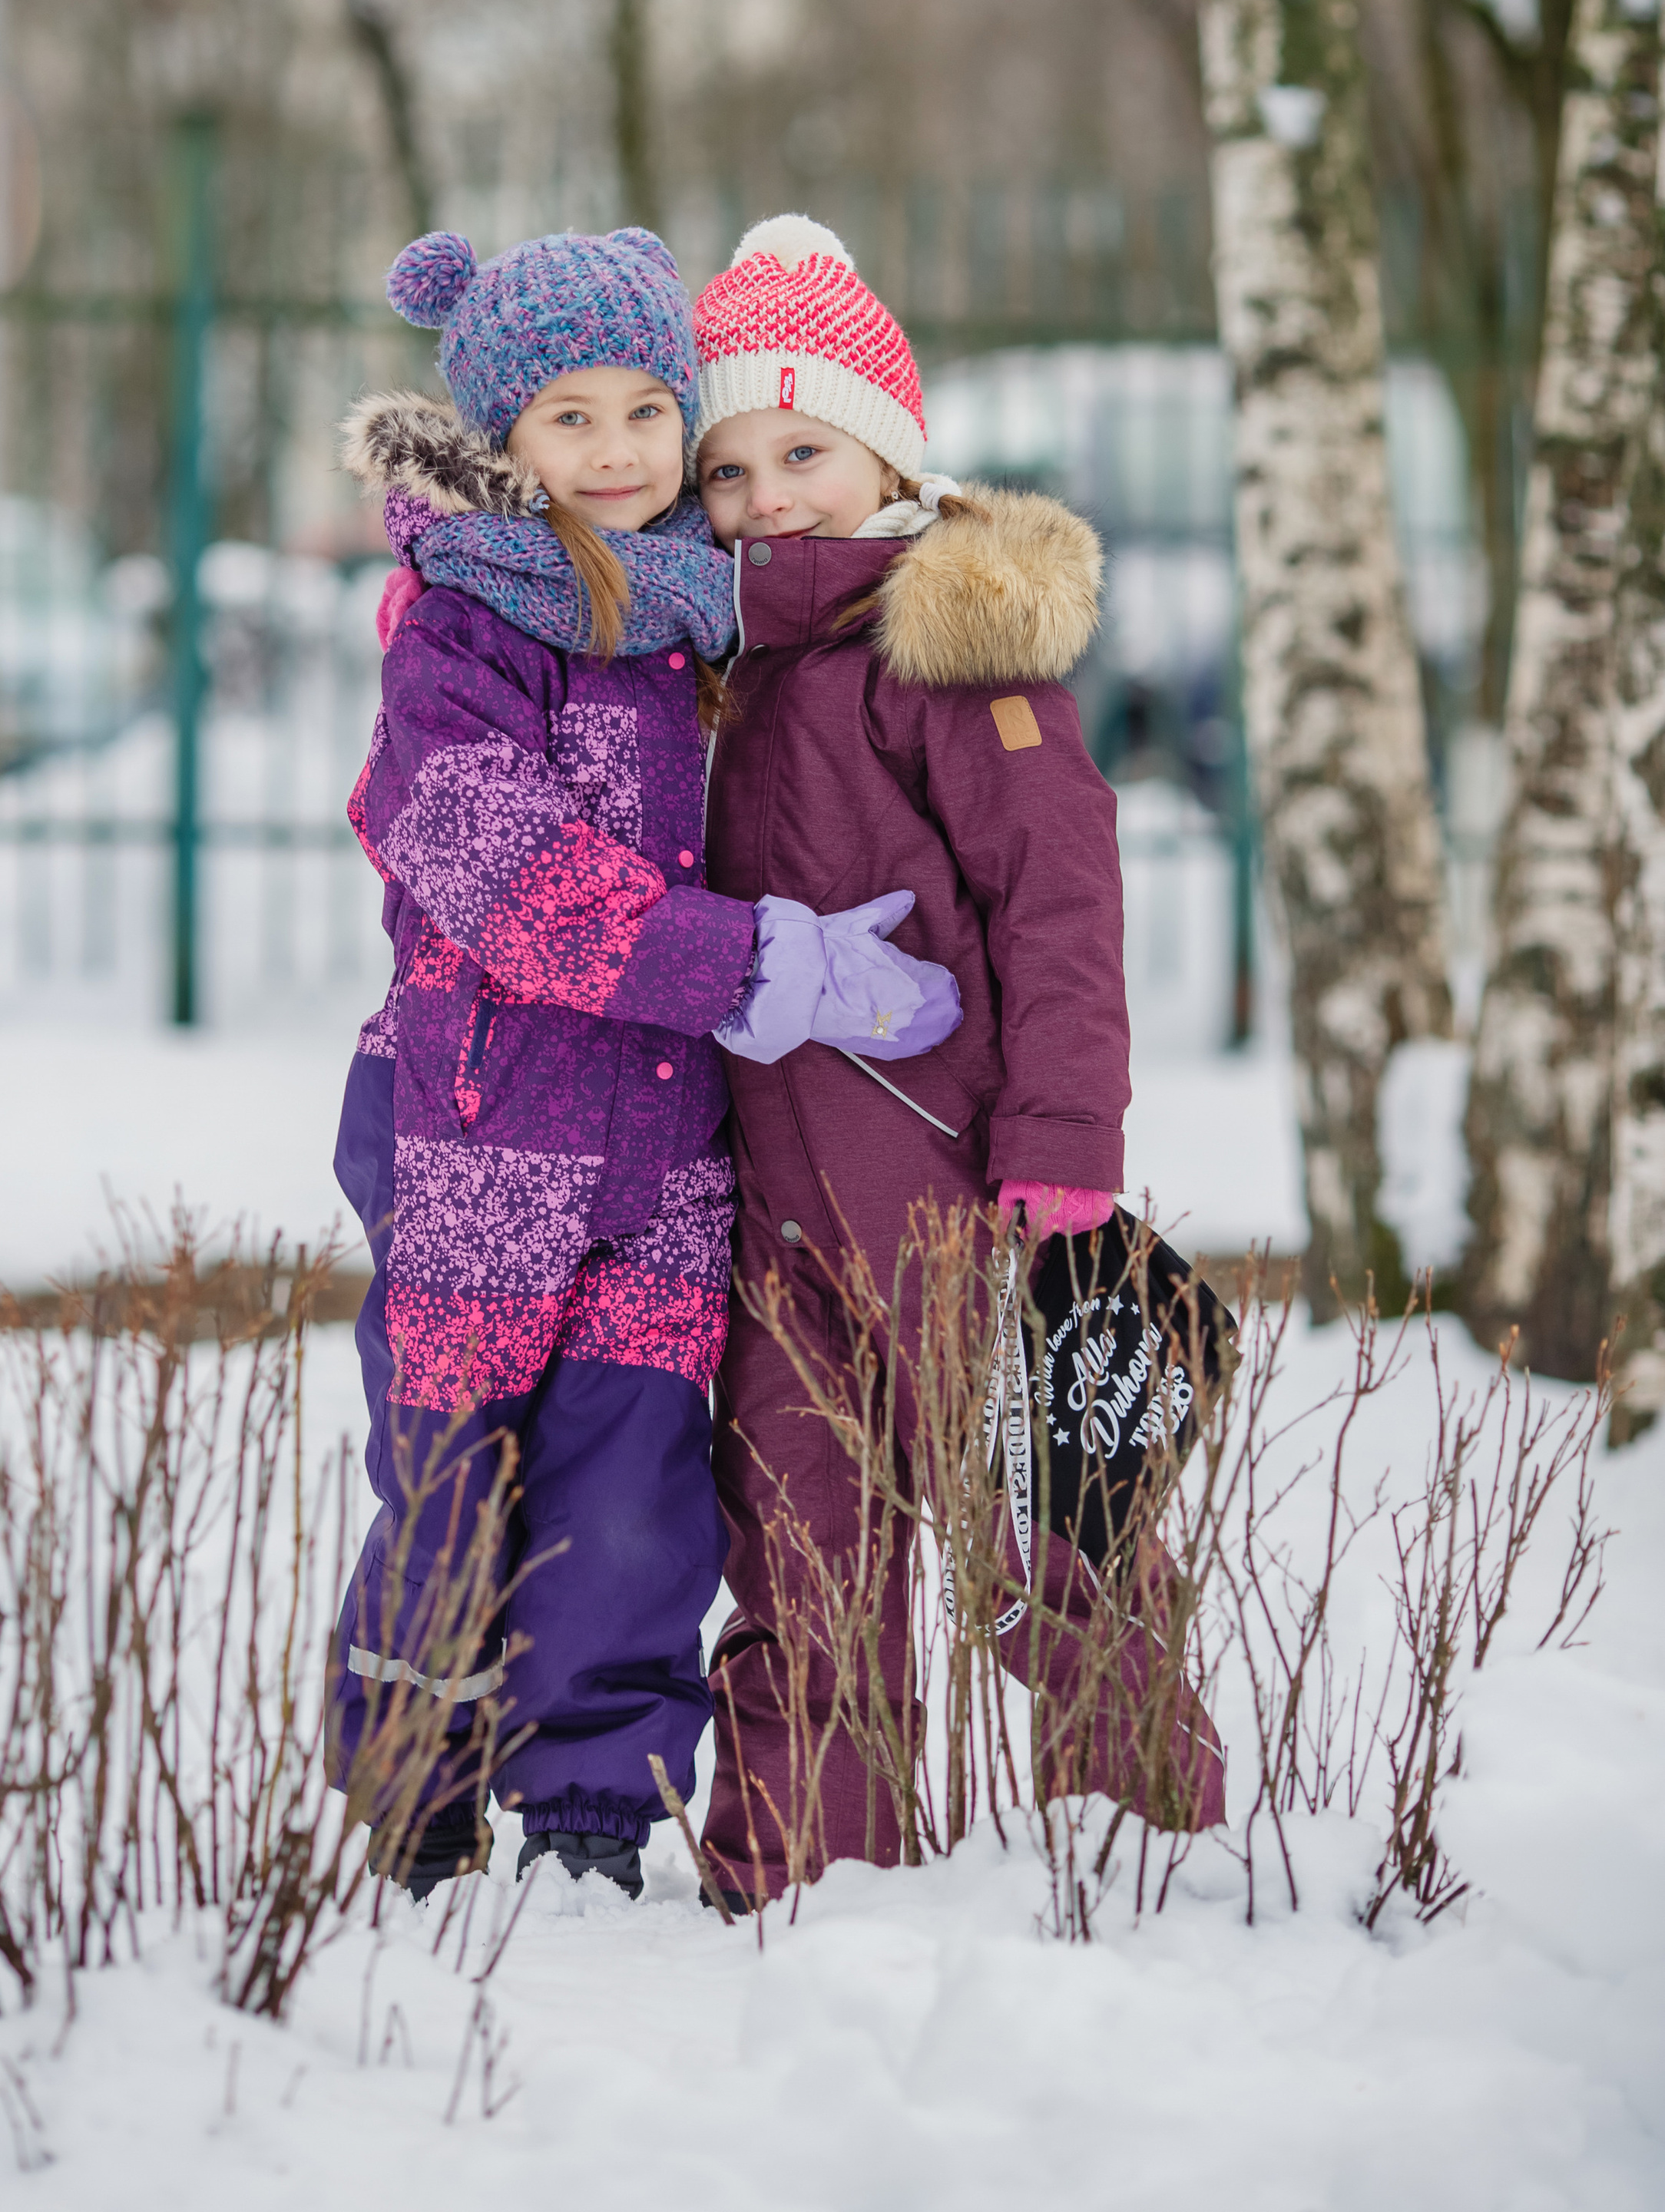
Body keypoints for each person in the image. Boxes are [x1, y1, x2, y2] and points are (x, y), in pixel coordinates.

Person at [326, 222, 960, 1903]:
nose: (614, 453)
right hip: (478, 1132)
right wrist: (755, 965)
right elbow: (499, 869)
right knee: (453, 1472)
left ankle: (594, 1803)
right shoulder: (460, 630)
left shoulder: (707, 627)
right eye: (568, 420)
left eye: (643, 414)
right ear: (500, 442)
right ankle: (412, 1788)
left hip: (666, 1155)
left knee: (632, 1492)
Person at [688, 213, 1225, 1900]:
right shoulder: (722, 668)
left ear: (886, 452)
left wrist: (1065, 1135)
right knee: (797, 1552)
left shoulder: (945, 649)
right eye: (727, 469)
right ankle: (800, 1871)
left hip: (955, 1209)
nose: (769, 497)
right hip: (771, 1220)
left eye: (803, 450)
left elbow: (1057, 899)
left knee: (1025, 1547)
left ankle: (1147, 1836)